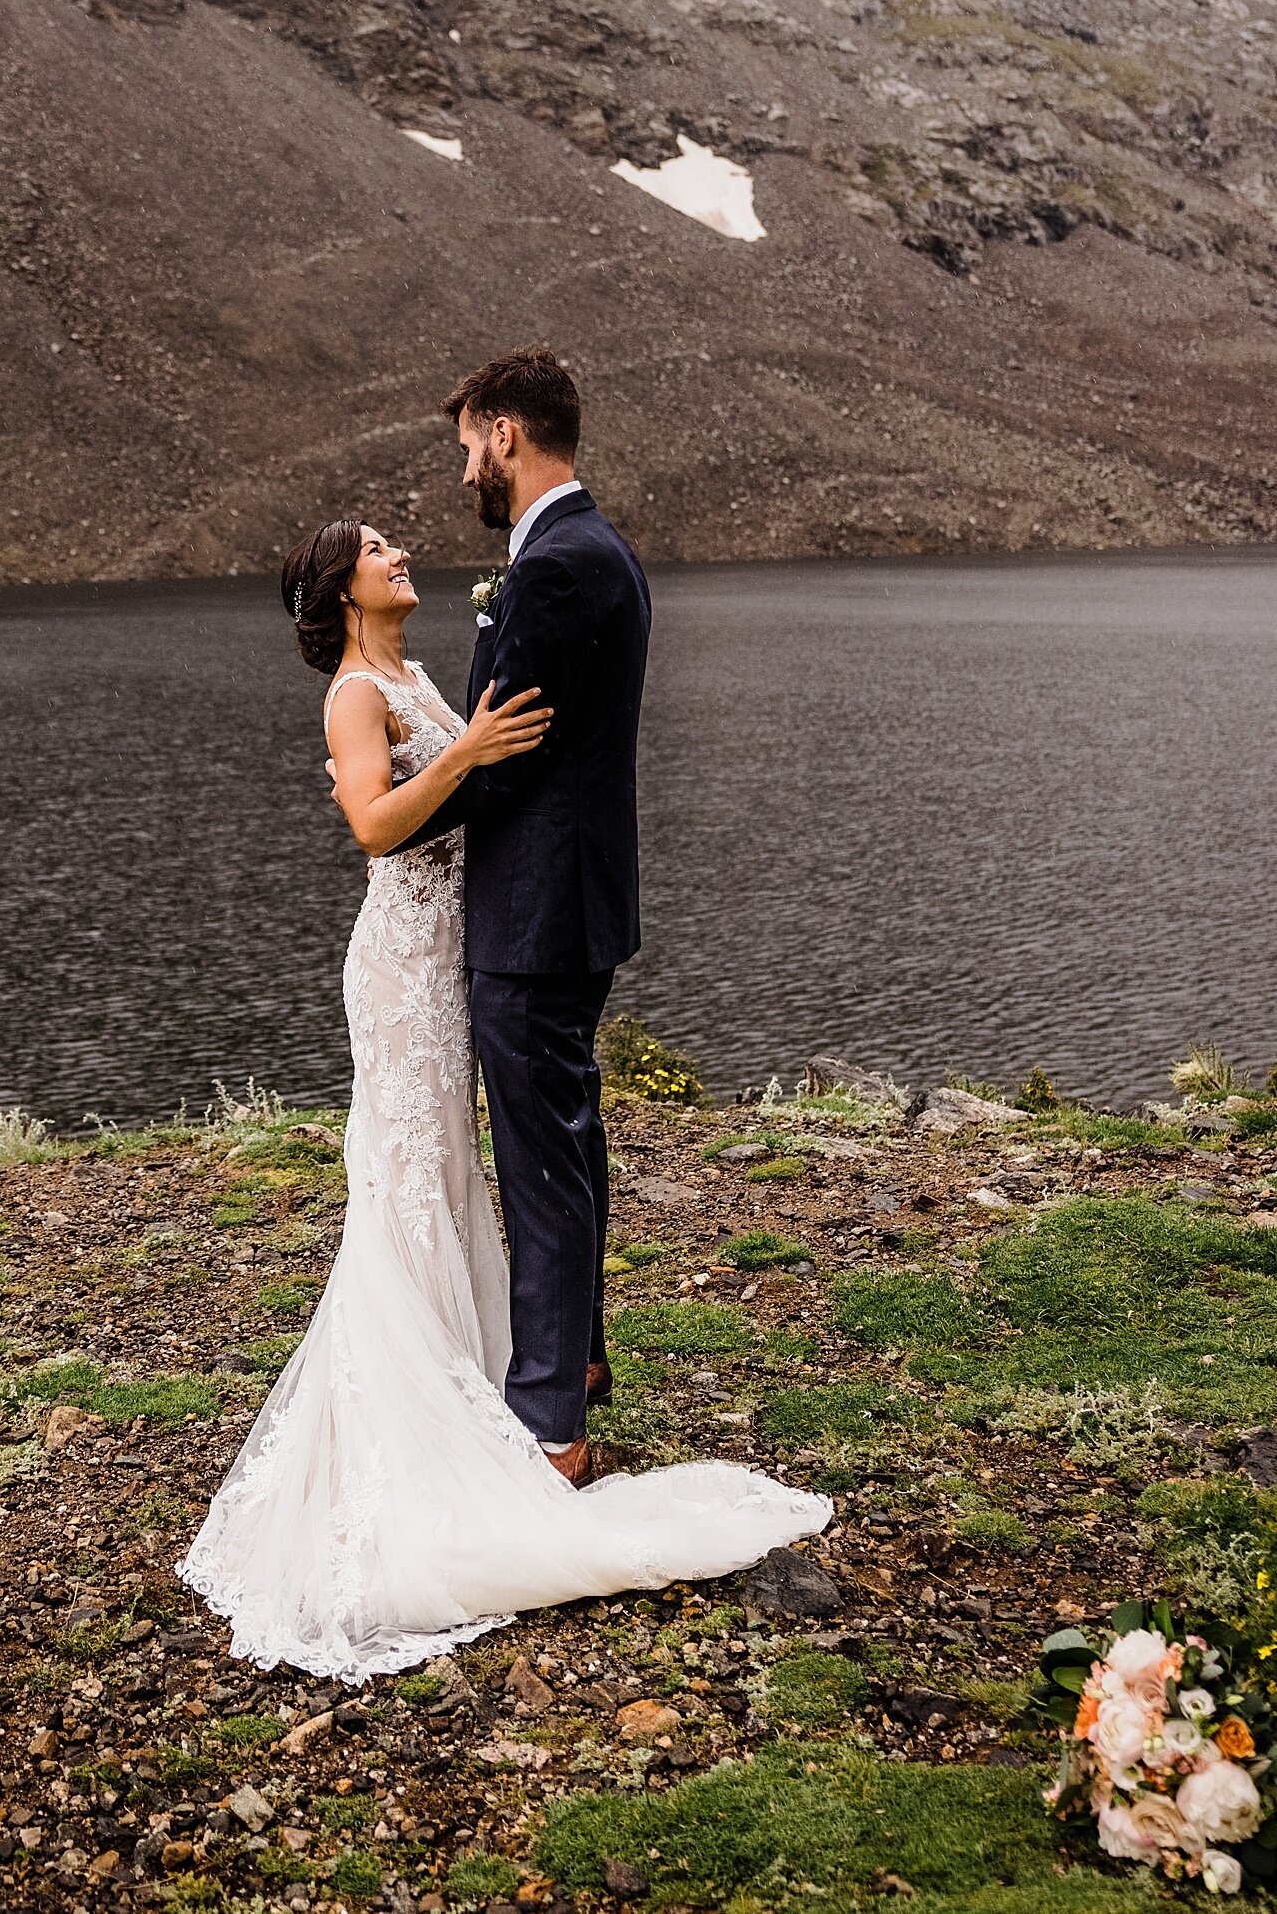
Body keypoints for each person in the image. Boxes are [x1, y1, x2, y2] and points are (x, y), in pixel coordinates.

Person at [179, 356, 828, 1682]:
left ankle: (544, 1405)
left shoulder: (548, 568)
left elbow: (501, 750)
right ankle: (539, 1378)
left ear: (502, 434)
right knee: (464, 1164)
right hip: (446, 939)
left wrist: (460, 758)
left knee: (519, 1162)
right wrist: (455, 761)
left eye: (463, 451)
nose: (434, 506)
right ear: (339, 590)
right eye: (376, 546)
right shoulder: (530, 591)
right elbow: (393, 809)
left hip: (520, 922)